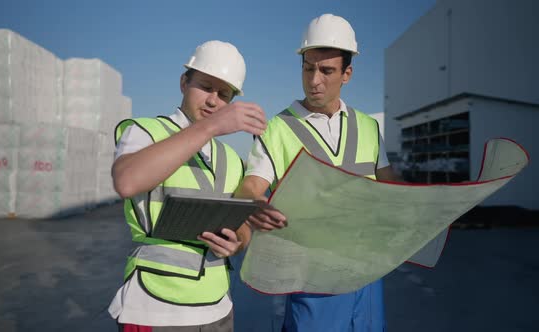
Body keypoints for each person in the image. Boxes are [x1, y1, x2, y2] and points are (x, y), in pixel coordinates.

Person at [235, 14, 402, 332]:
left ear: (347, 74)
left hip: (366, 274)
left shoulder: (368, 127)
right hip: (313, 279)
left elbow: (392, 187)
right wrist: (252, 204)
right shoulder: (279, 129)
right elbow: (251, 186)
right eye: (308, 68)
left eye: (326, 71)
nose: (314, 80)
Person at [108, 40, 267, 331]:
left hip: (218, 307)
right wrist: (210, 127)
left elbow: (243, 225)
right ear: (184, 82)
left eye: (224, 94)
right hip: (154, 307)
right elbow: (126, 181)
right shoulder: (145, 132)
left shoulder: (232, 159)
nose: (213, 101)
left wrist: (238, 242)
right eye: (206, 87)